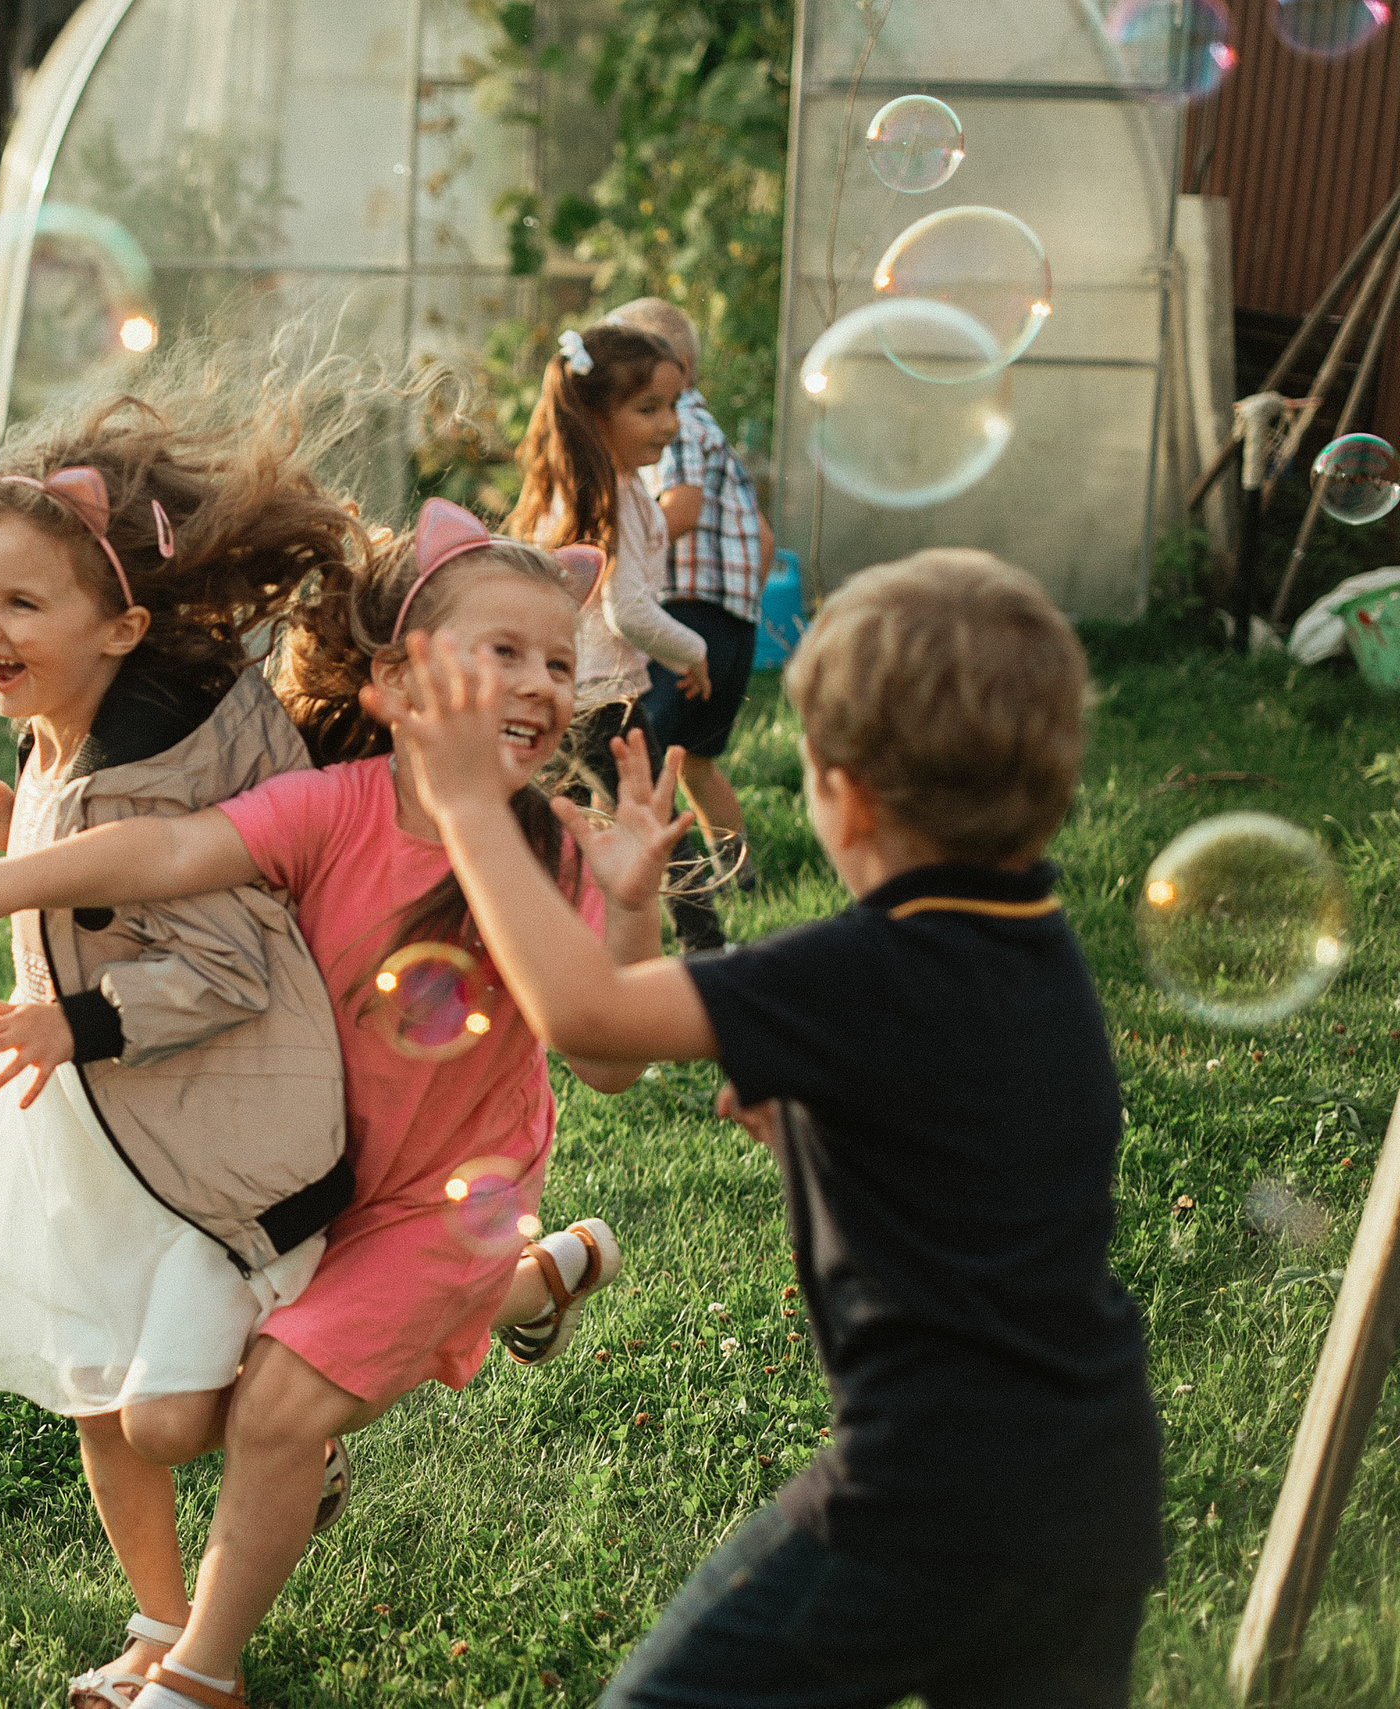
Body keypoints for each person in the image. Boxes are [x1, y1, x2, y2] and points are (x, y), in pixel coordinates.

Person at [0, 497, 684, 1709]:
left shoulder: (561, 851)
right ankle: (525, 1282)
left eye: (556, 659)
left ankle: (199, 1677)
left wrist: (632, 907)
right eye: (503, 651)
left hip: (442, 1200)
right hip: (295, 1174)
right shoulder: (335, 807)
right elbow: (166, 854)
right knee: (170, 1411)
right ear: (393, 682)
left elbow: (606, 1059)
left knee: (274, 1409)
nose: (542, 683)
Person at [380, 549, 1164, 1709]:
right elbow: (965, 1124)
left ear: (842, 795)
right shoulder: (1032, 939)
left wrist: (462, 807)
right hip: (1091, 1482)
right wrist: (656, 929)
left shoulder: (859, 966)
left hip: (919, 1497)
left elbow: (585, 1013)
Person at [0, 376, 363, 1709]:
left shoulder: (156, 773)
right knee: (94, 1391)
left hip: (200, 1127)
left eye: (20, 602)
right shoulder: (81, 721)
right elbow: (91, 875)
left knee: (169, 1417)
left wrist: (70, 1016)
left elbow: (219, 963)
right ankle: (164, 1626)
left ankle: (307, 1431)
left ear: (125, 627)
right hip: (92, 1125)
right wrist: (15, 828)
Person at [505, 323, 717, 949]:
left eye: (673, 405)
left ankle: (555, 943)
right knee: (658, 824)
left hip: (563, 692)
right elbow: (630, 614)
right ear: (596, 415)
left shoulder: (586, 487)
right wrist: (696, 651)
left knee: (566, 830)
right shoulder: (614, 496)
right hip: (606, 701)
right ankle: (708, 948)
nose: (669, 424)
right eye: (648, 408)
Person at [604, 297, 776, 943]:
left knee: (639, 767)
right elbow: (760, 536)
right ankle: (741, 875)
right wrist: (745, 613)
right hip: (728, 625)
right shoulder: (717, 434)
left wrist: (627, 544)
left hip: (685, 622)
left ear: (668, 372)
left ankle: (670, 883)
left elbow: (679, 505)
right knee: (697, 760)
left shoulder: (682, 429)